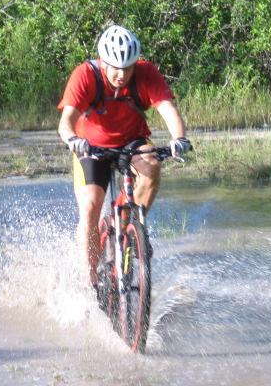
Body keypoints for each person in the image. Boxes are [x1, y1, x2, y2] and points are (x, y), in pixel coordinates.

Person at [57, 25, 191, 289]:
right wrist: (73, 140)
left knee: (152, 164)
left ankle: (128, 228)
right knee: (91, 207)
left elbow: (167, 109)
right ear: (103, 62)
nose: (121, 74)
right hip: (90, 145)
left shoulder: (145, 73)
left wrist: (179, 139)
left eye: (128, 67)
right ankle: (90, 279)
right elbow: (66, 121)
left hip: (132, 140)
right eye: (115, 67)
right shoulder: (86, 75)